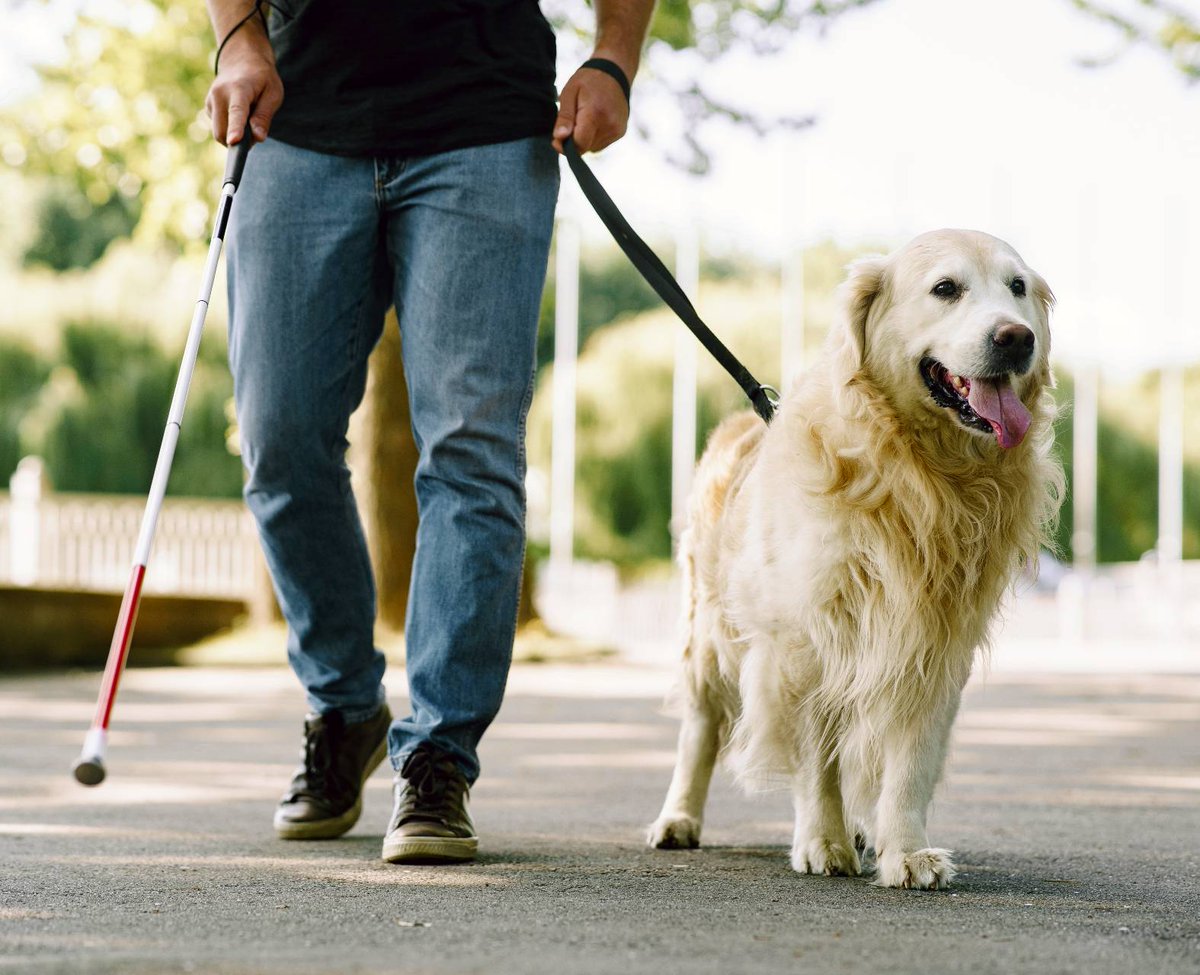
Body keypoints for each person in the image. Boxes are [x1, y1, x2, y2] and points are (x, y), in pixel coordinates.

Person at [203, 0, 654, 864]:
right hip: (298, 121)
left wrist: (615, 59)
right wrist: (237, 37)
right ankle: (344, 708)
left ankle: (440, 753)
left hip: (484, 128)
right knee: (280, 439)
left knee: (471, 452)